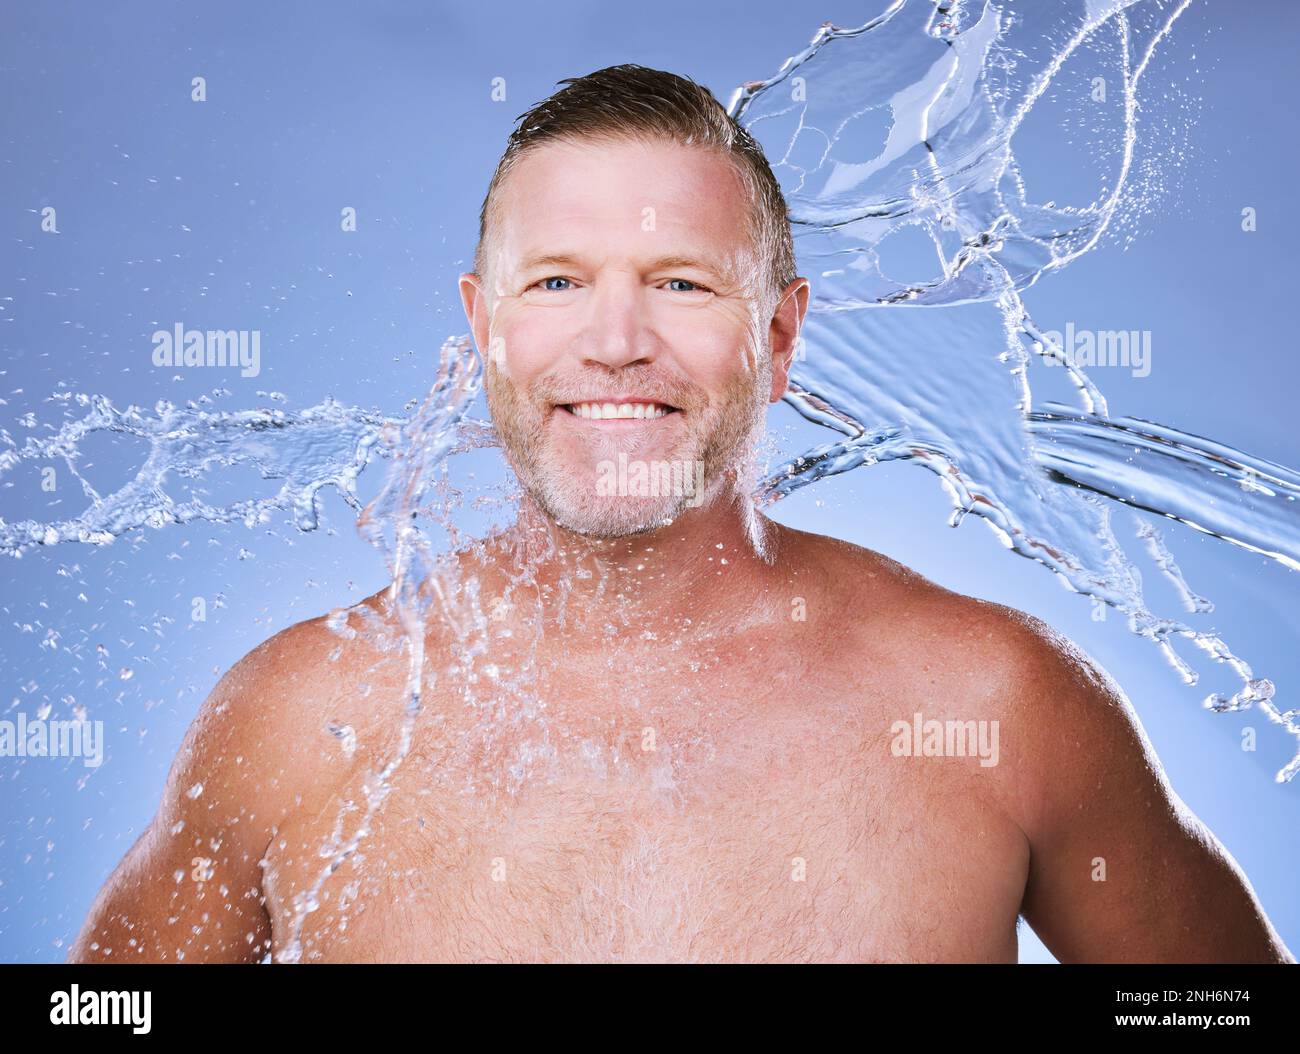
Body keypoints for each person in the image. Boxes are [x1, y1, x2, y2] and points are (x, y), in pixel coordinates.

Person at [69, 64, 1293, 964]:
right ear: (485, 325)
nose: (614, 343)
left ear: (775, 333)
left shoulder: (991, 703)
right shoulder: (301, 718)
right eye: (556, 282)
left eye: (679, 284)